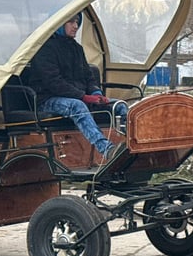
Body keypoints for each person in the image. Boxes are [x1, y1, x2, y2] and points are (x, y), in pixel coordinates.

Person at [29, 12, 128, 159]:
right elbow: (54, 82)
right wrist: (83, 97)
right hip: (48, 99)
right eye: (71, 22)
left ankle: (134, 145)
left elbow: (88, 77)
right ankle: (107, 150)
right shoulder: (44, 49)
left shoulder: (76, 48)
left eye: (77, 22)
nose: (76, 26)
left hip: (79, 97)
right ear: (59, 24)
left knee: (120, 105)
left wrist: (96, 94)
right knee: (77, 106)